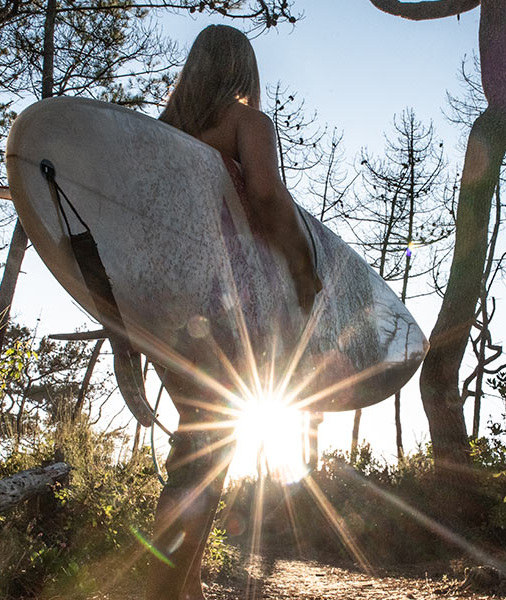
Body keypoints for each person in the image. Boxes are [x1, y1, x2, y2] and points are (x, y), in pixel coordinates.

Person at [147, 24, 322, 600]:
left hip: (165, 301)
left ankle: (186, 583)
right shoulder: (248, 123)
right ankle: (165, 587)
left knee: (201, 438)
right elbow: (269, 198)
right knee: (209, 447)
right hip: (223, 304)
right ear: (242, 72)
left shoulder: (164, 131)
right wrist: (302, 266)